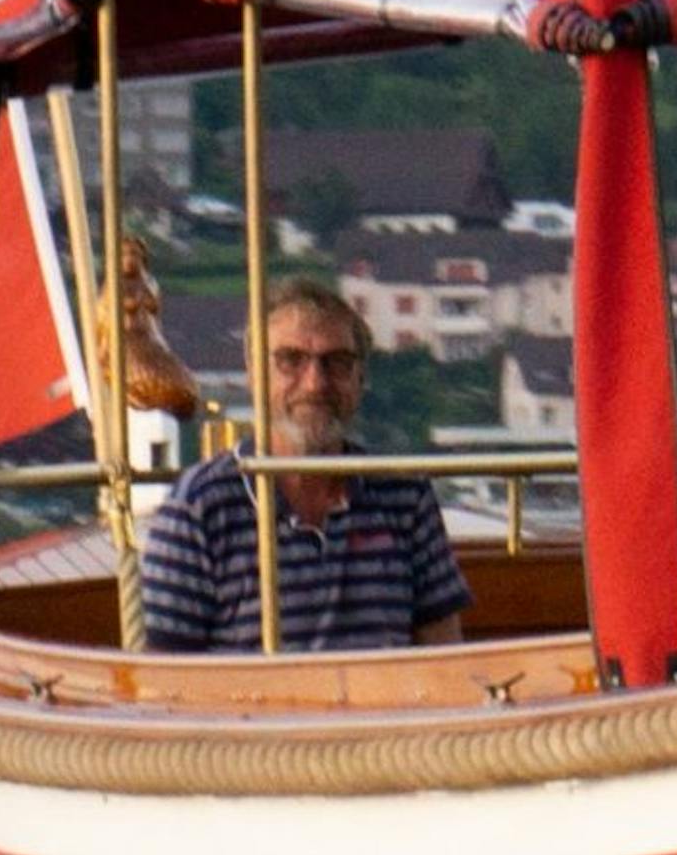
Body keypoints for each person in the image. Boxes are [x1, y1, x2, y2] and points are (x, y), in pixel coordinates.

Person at [138, 277, 470, 651]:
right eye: (291, 360)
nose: (315, 383)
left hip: (386, 710)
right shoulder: (198, 508)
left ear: (360, 379)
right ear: (254, 374)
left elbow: (443, 653)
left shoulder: (405, 496)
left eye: (337, 363)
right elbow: (167, 683)